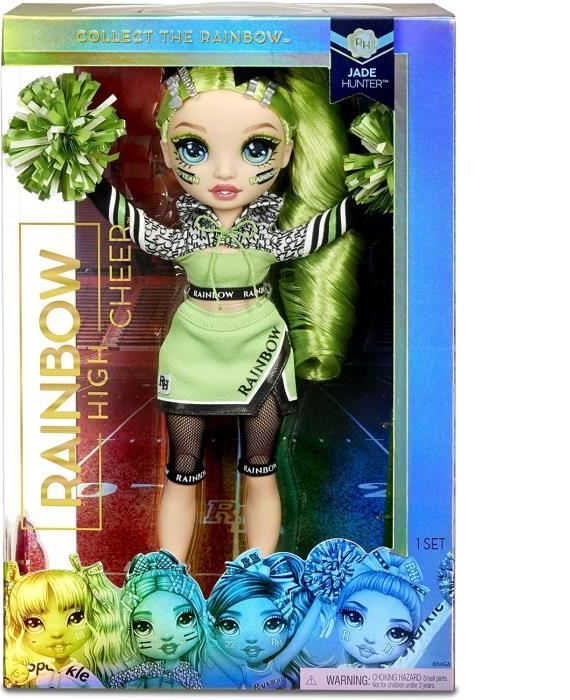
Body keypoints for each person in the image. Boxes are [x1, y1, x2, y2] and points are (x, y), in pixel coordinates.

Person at [88, 66, 363, 562]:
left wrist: (372, 185)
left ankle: (258, 574)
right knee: (181, 468)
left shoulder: (270, 235)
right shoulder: (181, 235)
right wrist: (87, 175)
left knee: (260, 467)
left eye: (256, 149)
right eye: (194, 148)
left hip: (259, 342)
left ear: (288, 151)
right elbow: (134, 223)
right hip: (191, 345)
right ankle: (170, 574)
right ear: (167, 151)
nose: (224, 172)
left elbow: (314, 234)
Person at [204, 549, 323, 689]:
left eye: (272, 624)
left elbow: (301, 636)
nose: (252, 639)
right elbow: (211, 646)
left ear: (290, 626)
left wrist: (321, 596)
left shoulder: (275, 666)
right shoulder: (240, 674)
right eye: (230, 626)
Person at [3, 555, 122, 687]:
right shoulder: (35, 669)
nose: (57, 633)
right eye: (34, 623)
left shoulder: (83, 674)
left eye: (76, 618)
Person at [109, 550, 206, 688]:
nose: (167, 636)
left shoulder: (191, 676)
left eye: (184, 619)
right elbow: (116, 681)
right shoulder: (147, 669)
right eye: (143, 627)